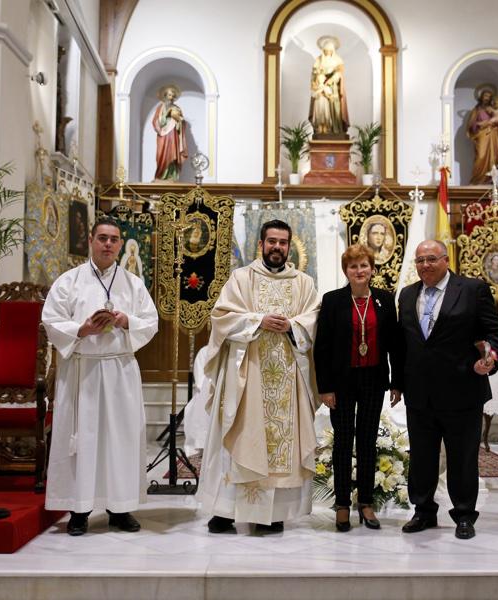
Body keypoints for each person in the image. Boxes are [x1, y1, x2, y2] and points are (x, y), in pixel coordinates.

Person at [192, 219, 320, 533]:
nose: (277, 247)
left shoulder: (303, 283)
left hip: (287, 379)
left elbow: (315, 318)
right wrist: (258, 320)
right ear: (261, 244)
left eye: (283, 242)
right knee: (239, 437)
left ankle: (273, 515)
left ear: (289, 246)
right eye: (272, 241)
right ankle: (225, 511)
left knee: (279, 445)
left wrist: (294, 326)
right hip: (246, 376)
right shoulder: (240, 278)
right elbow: (221, 317)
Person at [42, 216, 160, 536]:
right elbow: (51, 320)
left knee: (120, 440)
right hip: (83, 371)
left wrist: (125, 321)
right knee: (81, 442)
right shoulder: (69, 281)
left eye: (114, 239)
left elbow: (150, 321)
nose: (108, 244)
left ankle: (119, 508)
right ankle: (78, 511)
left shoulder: (133, 283)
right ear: (91, 241)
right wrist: (81, 329)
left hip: (119, 368)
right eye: (102, 238)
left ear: (121, 245)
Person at [395, 240, 498, 539]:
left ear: (446, 260)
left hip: (462, 390)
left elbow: (495, 333)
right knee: (421, 458)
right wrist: (396, 383)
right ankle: (423, 512)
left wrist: (491, 359)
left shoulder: (472, 290)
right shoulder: (407, 295)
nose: (425, 265)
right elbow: (403, 344)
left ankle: (464, 515)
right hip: (419, 392)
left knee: (462, 458)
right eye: (419, 260)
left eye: (431, 259)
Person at [314, 244, 401, 531]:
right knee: (342, 442)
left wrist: (397, 382)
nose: (359, 271)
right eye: (353, 266)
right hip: (341, 382)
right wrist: (325, 388)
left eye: (364, 265)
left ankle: (365, 502)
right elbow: (322, 347)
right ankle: (341, 504)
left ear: (372, 269)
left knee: (367, 441)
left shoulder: (385, 301)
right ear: (346, 271)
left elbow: (395, 346)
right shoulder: (333, 300)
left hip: (373, 380)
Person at [309, 36, 349, 138]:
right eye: (326, 51)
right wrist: (318, 81)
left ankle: (336, 129)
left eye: (330, 51)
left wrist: (332, 79)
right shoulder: (318, 60)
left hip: (334, 87)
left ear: (333, 51)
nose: (328, 53)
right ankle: (322, 129)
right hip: (321, 88)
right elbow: (314, 75)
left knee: (335, 108)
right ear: (323, 50)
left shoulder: (338, 60)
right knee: (321, 110)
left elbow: (339, 73)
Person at [151, 84, 189, 181]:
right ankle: (161, 176)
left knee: (173, 153)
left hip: (173, 134)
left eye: (173, 95)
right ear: (165, 96)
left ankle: (172, 176)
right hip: (163, 135)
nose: (171, 97)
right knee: (162, 155)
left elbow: (182, 122)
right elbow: (156, 121)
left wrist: (180, 121)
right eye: (169, 95)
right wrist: (166, 114)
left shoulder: (177, 108)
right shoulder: (160, 108)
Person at [466, 87, 498, 185]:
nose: (486, 98)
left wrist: (487, 122)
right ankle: (477, 179)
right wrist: (475, 126)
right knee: (480, 156)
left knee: (491, 157)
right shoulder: (477, 109)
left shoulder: (490, 108)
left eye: (489, 96)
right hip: (480, 135)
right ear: (481, 96)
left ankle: (488, 180)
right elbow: (471, 123)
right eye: (485, 95)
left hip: (490, 135)